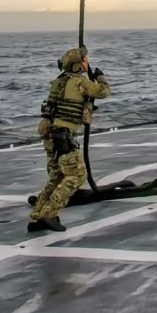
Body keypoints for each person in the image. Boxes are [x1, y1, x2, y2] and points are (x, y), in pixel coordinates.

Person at [28, 46, 110, 233]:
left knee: (56, 177)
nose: (85, 63)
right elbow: (103, 92)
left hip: (51, 137)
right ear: (77, 65)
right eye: (84, 61)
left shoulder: (59, 82)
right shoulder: (80, 82)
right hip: (64, 136)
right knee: (77, 176)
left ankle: (37, 216)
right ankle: (49, 214)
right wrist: (99, 77)